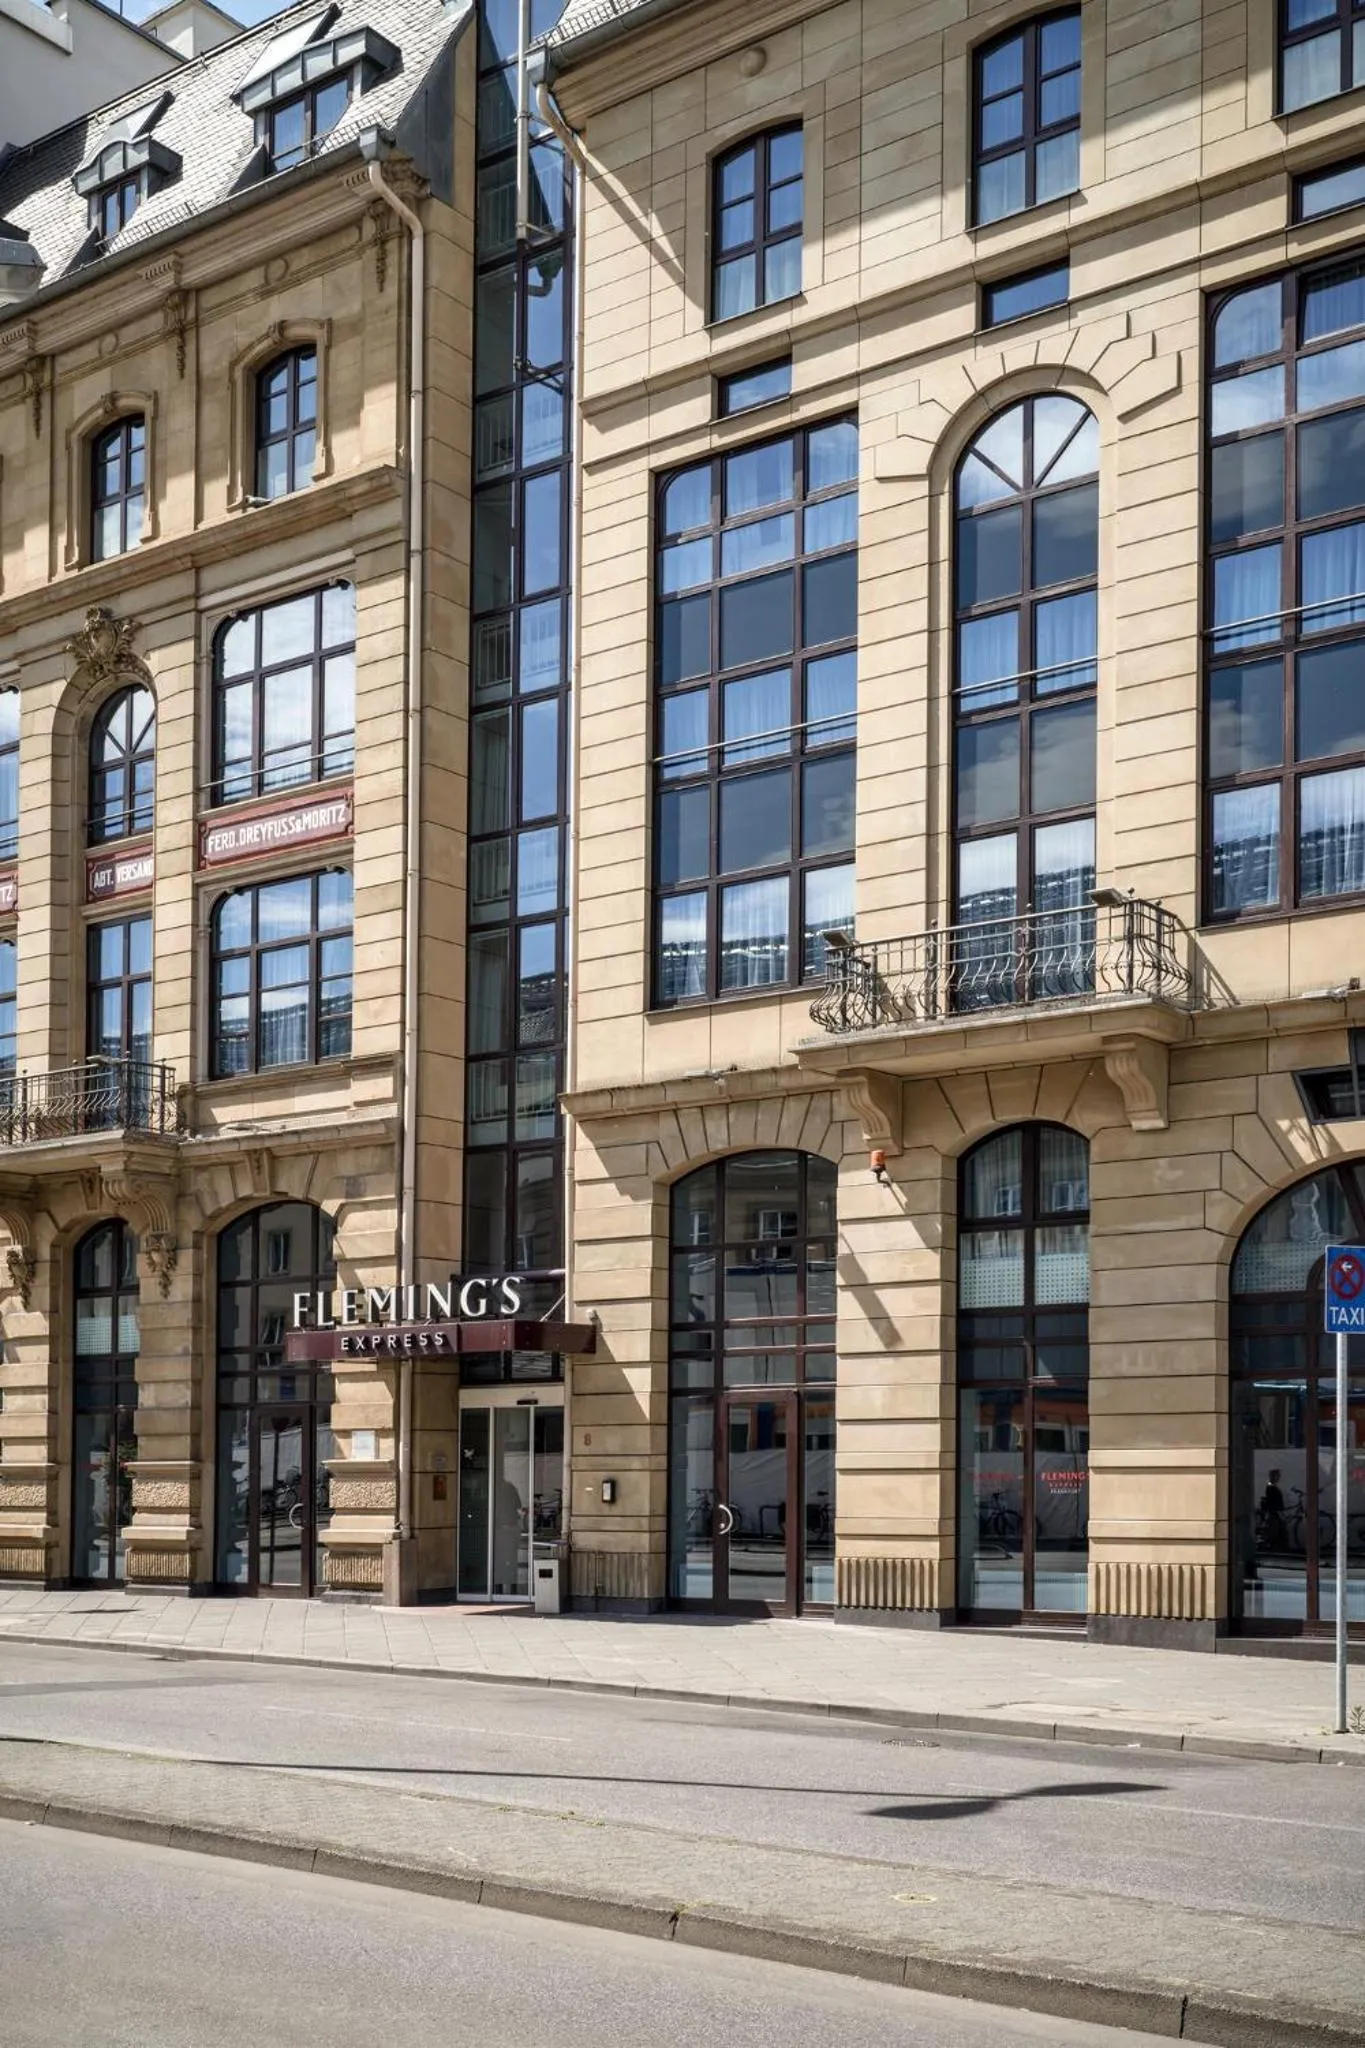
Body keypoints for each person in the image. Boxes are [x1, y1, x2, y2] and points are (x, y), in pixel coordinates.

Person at [1259, 1468, 1287, 1552]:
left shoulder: (1271, 1487)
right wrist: (1279, 1510)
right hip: (1274, 1512)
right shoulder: (1272, 1487)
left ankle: (1273, 1545)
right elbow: (1274, 1501)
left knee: (1275, 1528)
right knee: (1275, 1529)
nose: (1279, 1477)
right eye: (1278, 1476)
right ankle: (1273, 1546)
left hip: (1274, 1512)